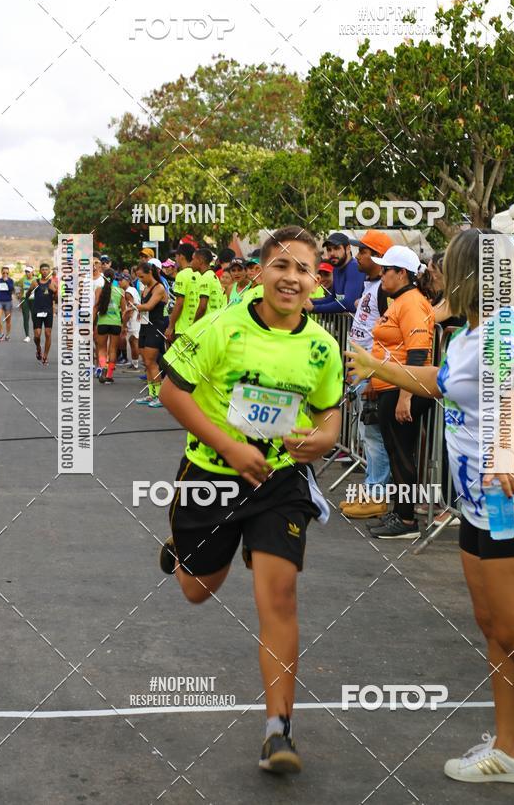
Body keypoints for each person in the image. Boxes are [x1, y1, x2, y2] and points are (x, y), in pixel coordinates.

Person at [346, 228, 514, 804]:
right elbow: (446, 384)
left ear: (461, 273)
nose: (431, 275)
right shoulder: (470, 332)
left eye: (439, 268)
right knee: (495, 627)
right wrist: (379, 366)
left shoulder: (507, 330)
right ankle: (511, 749)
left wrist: (504, 447)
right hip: (481, 502)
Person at [158, 225, 343, 774]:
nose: (291, 278)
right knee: (197, 590)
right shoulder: (221, 325)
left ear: (316, 280)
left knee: (279, 595)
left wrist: (326, 437)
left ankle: (277, 731)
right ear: (259, 271)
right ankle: (184, 551)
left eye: (302, 269)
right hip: (212, 474)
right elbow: (171, 390)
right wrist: (230, 447)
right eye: (280, 266)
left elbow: (329, 412)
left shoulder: (321, 347)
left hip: (278, 483)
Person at [365, 246, 435, 539]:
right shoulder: (400, 300)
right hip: (391, 386)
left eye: (386, 270)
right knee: (395, 452)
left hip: (402, 388)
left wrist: (407, 395)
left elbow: (418, 353)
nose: (381, 275)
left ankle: (407, 520)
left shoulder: (411, 303)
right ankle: (400, 512)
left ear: (401, 273)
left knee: (403, 454)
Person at [339, 230, 394, 520]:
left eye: (362, 252)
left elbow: (388, 337)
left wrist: (373, 377)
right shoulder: (373, 286)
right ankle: (371, 487)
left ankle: (377, 496)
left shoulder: (384, 290)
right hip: (360, 373)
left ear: (376, 256)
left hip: (372, 375)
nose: (358, 256)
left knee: (374, 436)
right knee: (365, 433)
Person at [134, 261, 168, 407]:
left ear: (150, 273)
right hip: (145, 326)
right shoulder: (145, 289)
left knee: (151, 362)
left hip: (156, 327)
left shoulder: (159, 288)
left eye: (142, 277)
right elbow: (144, 309)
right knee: (146, 362)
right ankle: (151, 393)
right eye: (138, 278)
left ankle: (159, 396)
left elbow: (149, 306)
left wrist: (134, 306)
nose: (140, 280)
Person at [309, 232, 365, 315]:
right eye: (329, 249)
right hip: (345, 325)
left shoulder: (354, 267)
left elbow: (349, 303)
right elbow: (333, 298)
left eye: (336, 248)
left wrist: (314, 308)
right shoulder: (336, 268)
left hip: (361, 325)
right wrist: (309, 301)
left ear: (348, 249)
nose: (332, 253)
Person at [93, 268, 126, 383]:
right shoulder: (120, 291)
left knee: (102, 349)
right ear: (114, 279)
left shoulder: (99, 290)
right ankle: (109, 375)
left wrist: (92, 324)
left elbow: (95, 307)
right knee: (113, 349)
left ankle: (103, 368)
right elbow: (124, 311)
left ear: (103, 278)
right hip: (115, 323)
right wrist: (124, 326)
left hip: (102, 323)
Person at [166, 244, 200, 344]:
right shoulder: (199, 274)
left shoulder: (181, 275)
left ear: (181, 256)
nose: (175, 259)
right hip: (198, 326)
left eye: (176, 256)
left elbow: (179, 303)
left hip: (183, 329)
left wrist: (171, 326)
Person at [29, 263, 57, 366]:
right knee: (37, 335)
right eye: (43, 270)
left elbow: (56, 299)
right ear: (40, 271)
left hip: (48, 311)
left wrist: (55, 291)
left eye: (46, 269)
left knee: (48, 333)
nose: (45, 271)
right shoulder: (35, 282)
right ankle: (38, 348)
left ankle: (45, 356)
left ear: (49, 271)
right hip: (37, 310)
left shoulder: (52, 283)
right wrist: (30, 291)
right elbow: (27, 294)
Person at [192, 247, 225, 321]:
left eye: (193, 259)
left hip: (206, 324)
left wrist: (194, 325)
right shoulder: (212, 275)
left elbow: (202, 307)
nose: (191, 262)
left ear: (200, 261)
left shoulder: (205, 278)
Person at [119, 271, 141, 371]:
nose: (119, 282)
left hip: (133, 320)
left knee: (133, 341)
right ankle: (134, 363)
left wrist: (124, 325)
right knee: (133, 341)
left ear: (127, 280)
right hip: (137, 318)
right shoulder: (132, 289)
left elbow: (129, 310)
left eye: (121, 279)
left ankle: (136, 364)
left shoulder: (128, 292)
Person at [0, 266, 15, 340]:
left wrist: (7, 281)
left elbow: (11, 289)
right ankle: (1, 333)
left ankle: (7, 335)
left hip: (8, 301)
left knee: (8, 319)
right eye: (4, 272)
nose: (5, 274)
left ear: (8, 273)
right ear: (1, 273)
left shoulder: (11, 281)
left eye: (7, 273)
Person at [19, 266, 34, 342]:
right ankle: (27, 336)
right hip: (25, 300)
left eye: (28, 272)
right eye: (26, 272)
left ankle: (36, 334)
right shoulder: (23, 280)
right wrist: (20, 301)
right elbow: (21, 291)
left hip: (34, 300)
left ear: (32, 272)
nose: (27, 273)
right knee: (25, 318)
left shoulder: (36, 280)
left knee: (35, 318)